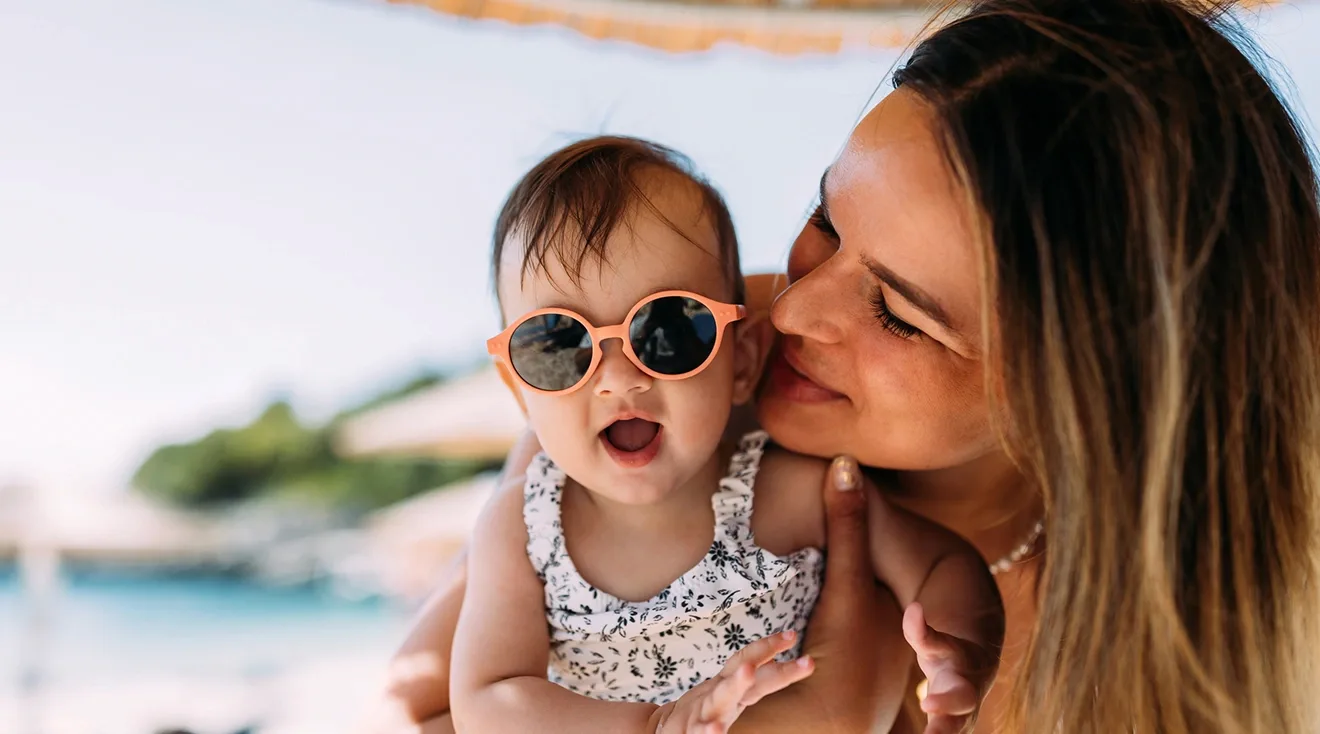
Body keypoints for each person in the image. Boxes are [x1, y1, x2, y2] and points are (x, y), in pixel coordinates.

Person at [369, 0, 1320, 731]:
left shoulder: (1172, 662)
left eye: (900, 316)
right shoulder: (684, 344)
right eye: (826, 220)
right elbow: (426, 695)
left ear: (1079, 402)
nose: (792, 308)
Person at [448, 136, 1003, 734]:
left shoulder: (788, 495)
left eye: (668, 330)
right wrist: (656, 726)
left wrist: (958, 650)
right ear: (517, 389)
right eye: (557, 345)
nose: (618, 379)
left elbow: (941, 564)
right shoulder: (524, 529)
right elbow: (488, 699)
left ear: (741, 362)